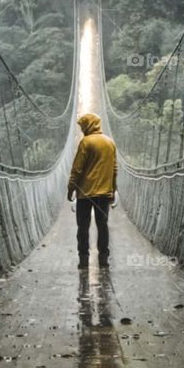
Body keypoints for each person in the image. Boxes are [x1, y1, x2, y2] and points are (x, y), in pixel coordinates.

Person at [68, 111, 117, 266]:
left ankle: (83, 259)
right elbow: (114, 169)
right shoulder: (110, 142)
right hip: (104, 194)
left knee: (83, 227)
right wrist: (113, 189)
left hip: (85, 194)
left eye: (83, 126)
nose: (82, 129)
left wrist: (71, 189)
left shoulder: (86, 142)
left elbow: (77, 169)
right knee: (102, 226)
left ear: (88, 125)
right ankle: (103, 259)